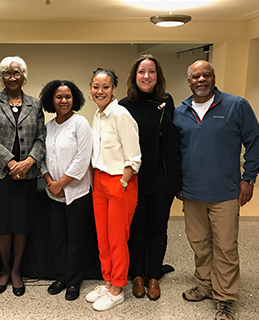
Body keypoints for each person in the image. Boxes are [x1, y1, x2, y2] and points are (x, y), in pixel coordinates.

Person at [173, 60, 259, 320]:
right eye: (196, 77)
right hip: (192, 193)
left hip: (225, 192)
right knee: (199, 244)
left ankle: (224, 299)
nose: (201, 80)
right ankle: (205, 285)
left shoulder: (236, 106)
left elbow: (254, 142)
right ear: (189, 81)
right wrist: (178, 183)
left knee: (225, 247)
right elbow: (177, 152)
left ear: (213, 78)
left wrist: (249, 178)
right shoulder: (181, 112)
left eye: (206, 75)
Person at [0, 56, 46, 297]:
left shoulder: (35, 104)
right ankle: (5, 269)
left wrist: (28, 162)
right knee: (2, 226)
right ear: (1, 76)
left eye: (16, 73)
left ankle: (17, 270)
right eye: (7, 73)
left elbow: (41, 137)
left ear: (23, 76)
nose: (12, 77)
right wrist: (10, 162)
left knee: (21, 225)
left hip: (26, 175)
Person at [119, 54, 181, 301]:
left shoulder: (167, 101)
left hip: (162, 179)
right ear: (134, 76)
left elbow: (172, 142)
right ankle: (137, 275)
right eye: (142, 72)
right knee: (136, 229)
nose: (147, 76)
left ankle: (153, 275)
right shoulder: (124, 105)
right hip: (134, 179)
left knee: (158, 228)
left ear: (158, 76)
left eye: (151, 72)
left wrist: (176, 181)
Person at [85, 68, 141, 311]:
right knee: (103, 238)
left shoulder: (121, 114)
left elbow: (135, 158)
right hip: (99, 181)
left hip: (120, 181)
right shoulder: (97, 116)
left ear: (113, 89)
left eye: (105, 87)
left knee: (118, 239)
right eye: (96, 87)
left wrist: (122, 183)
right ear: (90, 90)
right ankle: (107, 282)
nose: (100, 91)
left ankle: (117, 288)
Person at [39, 80, 93, 301]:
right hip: (52, 193)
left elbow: (83, 158)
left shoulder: (81, 124)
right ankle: (61, 276)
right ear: (51, 100)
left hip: (77, 192)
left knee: (76, 239)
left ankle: (73, 281)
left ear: (75, 99)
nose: (64, 101)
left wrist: (61, 183)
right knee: (58, 238)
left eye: (68, 96)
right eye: (59, 97)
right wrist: (50, 182)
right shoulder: (48, 127)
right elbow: (41, 157)